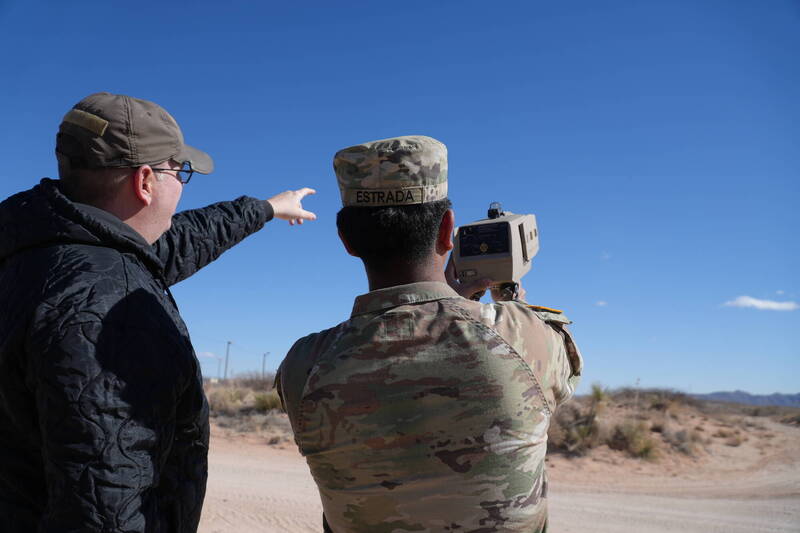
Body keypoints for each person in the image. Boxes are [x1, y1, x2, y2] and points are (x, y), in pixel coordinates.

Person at [0, 92, 316, 533]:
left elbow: (177, 242)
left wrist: (264, 209)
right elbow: (105, 503)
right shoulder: (106, 304)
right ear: (145, 182)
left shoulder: (39, 250)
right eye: (178, 171)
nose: (182, 186)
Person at [276, 135, 582, 532]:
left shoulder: (304, 364)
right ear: (447, 230)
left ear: (346, 240)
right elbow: (562, 370)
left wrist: (447, 307)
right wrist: (502, 300)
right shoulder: (523, 337)